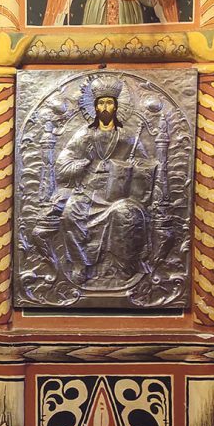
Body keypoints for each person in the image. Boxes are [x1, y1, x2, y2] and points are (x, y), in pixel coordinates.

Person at [54, 77, 153, 285]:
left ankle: (123, 265)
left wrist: (133, 166)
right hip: (88, 192)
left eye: (109, 102)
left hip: (118, 193)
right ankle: (80, 263)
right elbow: (63, 165)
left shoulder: (128, 137)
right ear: (95, 107)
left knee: (125, 215)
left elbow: (146, 165)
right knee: (70, 213)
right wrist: (83, 163)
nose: (105, 107)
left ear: (116, 106)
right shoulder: (84, 135)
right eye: (101, 103)